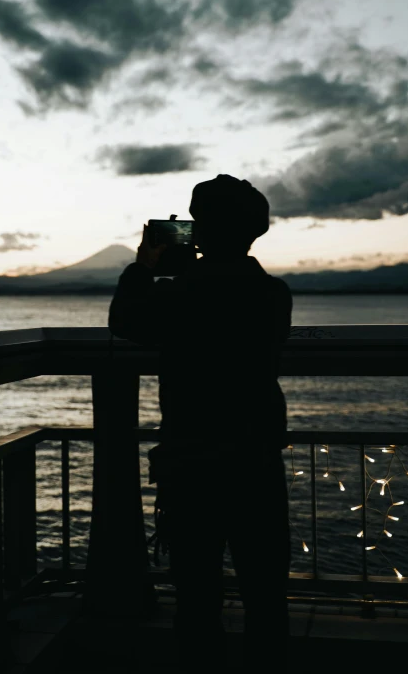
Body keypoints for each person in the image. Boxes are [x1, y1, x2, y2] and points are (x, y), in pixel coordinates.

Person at [108, 174, 292, 670]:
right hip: (256, 459)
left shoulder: (180, 295)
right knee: (266, 591)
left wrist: (145, 266)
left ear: (204, 232)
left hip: (191, 462)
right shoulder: (274, 295)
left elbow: (125, 321)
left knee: (195, 596)